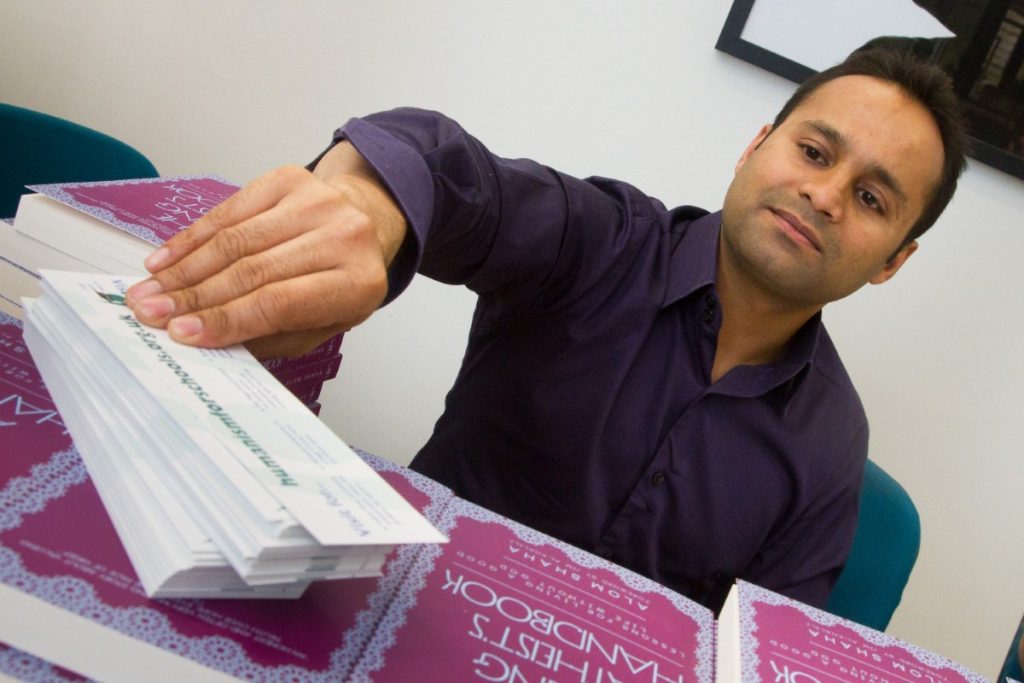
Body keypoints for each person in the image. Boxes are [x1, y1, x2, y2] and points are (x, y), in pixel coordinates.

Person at [124, 48, 968, 612]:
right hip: (396, 625)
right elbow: (460, 180)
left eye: (871, 198)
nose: (824, 194)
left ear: (893, 257)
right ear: (757, 147)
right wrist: (366, 201)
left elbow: (763, 655)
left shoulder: (831, 441)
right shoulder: (602, 241)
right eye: (816, 153)